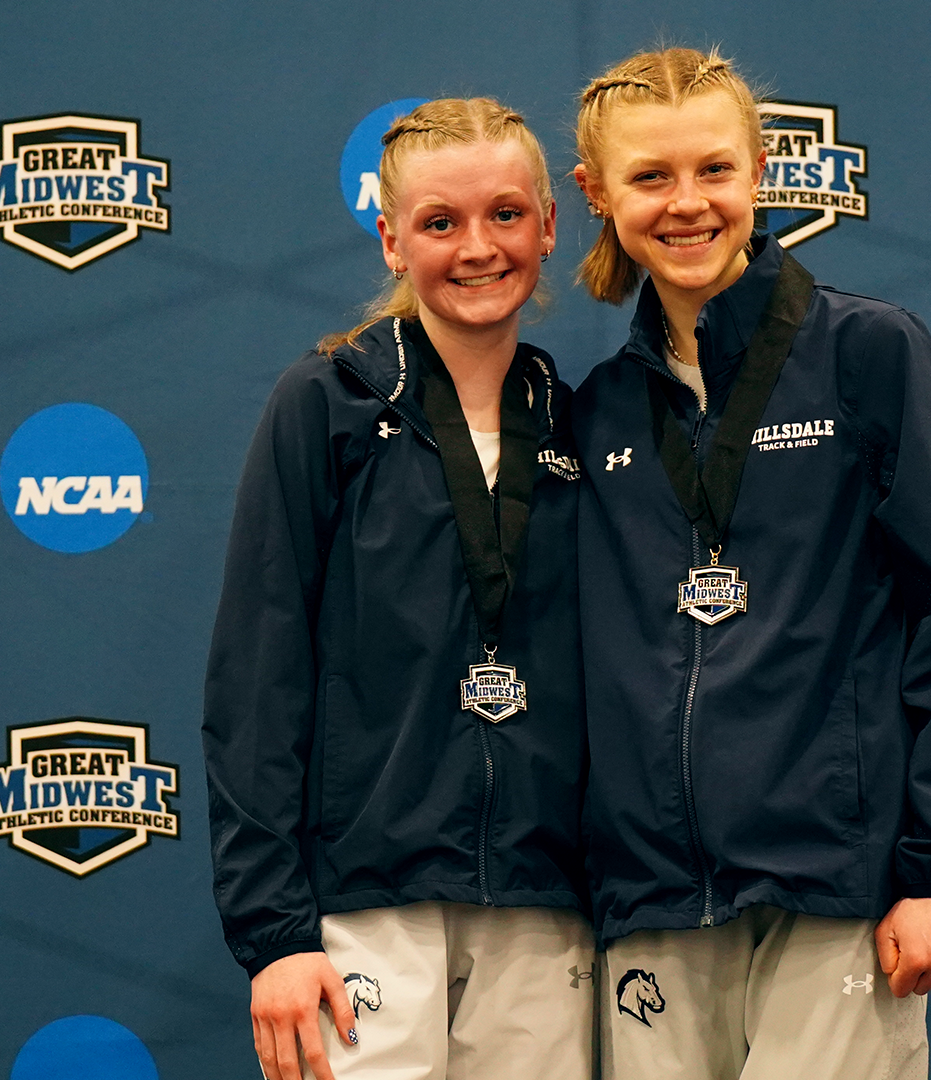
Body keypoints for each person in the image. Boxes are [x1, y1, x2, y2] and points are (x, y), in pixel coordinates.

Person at [569, 47, 931, 1080]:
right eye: (650, 178)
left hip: (832, 889)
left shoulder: (868, 353)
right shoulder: (595, 412)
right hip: (650, 902)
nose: (687, 204)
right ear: (593, 193)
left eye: (713, 170)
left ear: (761, 170)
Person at [202, 97, 592, 1080]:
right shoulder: (326, 406)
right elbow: (259, 675)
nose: (477, 248)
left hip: (547, 909)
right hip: (362, 910)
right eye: (439, 222)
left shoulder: (585, 428)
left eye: (506, 214)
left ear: (550, 225)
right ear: (389, 238)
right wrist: (277, 934)